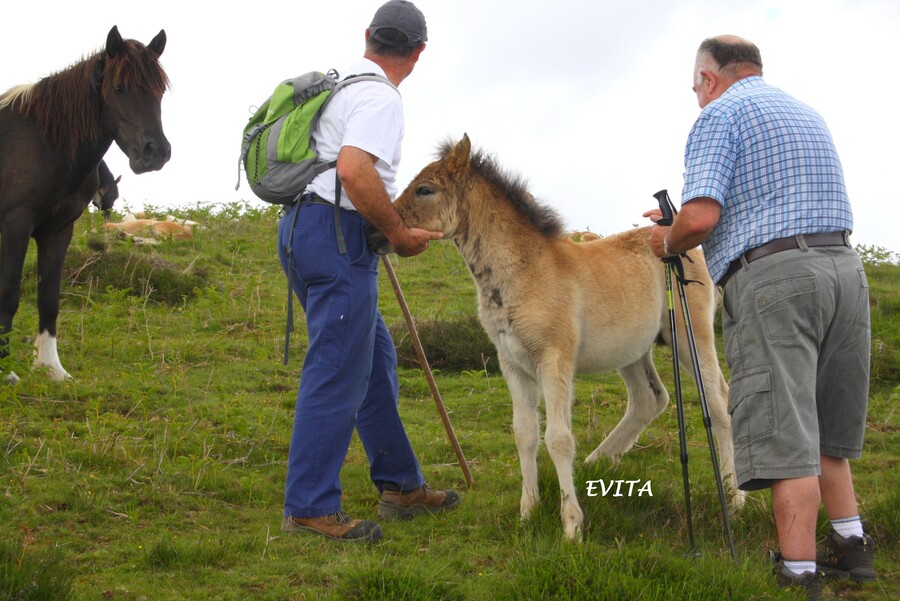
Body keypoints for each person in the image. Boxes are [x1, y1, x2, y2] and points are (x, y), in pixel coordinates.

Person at [645, 36, 876, 598]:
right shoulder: (804, 111)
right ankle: (852, 547)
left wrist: (666, 239)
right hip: (845, 270)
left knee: (784, 427)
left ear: (708, 78)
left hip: (775, 279)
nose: (697, 97)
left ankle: (798, 571)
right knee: (828, 425)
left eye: (695, 87)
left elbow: (699, 218)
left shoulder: (719, 114)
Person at [277, 0, 458, 543]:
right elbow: (355, 170)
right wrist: (400, 235)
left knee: (372, 360)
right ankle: (309, 507)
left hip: (307, 231)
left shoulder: (342, 85)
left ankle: (401, 485)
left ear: (368, 36)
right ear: (418, 52)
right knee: (337, 368)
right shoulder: (379, 96)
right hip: (334, 236)